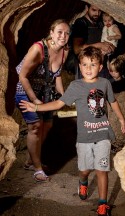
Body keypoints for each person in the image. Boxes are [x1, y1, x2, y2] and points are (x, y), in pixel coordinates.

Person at [19, 46, 125, 216]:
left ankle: (102, 204)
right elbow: (59, 104)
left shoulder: (105, 83)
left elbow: (112, 102)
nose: (88, 69)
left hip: (103, 134)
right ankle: (83, 181)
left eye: (93, 65)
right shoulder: (76, 86)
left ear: (100, 67)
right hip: (84, 137)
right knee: (85, 169)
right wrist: (37, 106)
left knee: (102, 169)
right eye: (84, 65)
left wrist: (121, 118)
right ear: (79, 67)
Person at [15, 19, 70, 182]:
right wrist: (35, 101)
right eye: (60, 32)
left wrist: (63, 95)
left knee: (47, 125)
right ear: (51, 32)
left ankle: (30, 160)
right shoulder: (37, 49)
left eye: (67, 33)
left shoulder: (64, 51)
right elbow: (22, 76)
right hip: (23, 87)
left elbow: (57, 74)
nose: (63, 36)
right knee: (35, 126)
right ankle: (37, 169)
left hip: (44, 88)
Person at [71, 3, 115, 79]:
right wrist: (99, 45)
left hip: (102, 67)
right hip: (87, 69)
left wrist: (110, 48)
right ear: (87, 8)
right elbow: (77, 49)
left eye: (99, 11)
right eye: (94, 10)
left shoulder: (102, 23)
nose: (97, 14)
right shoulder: (81, 23)